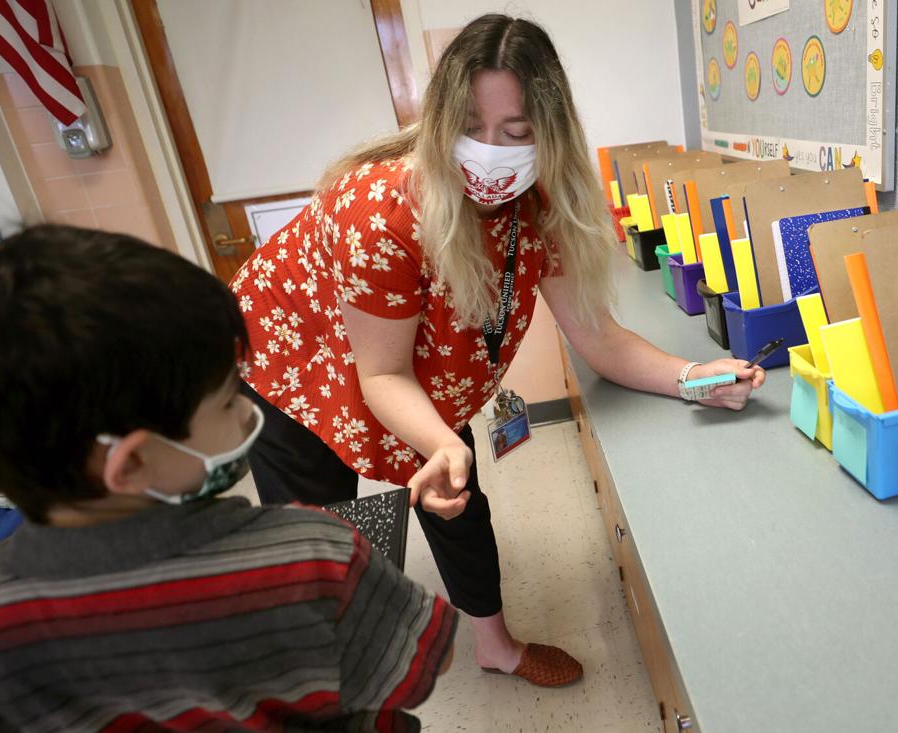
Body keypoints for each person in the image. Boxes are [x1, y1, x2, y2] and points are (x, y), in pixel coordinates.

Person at [231, 13, 765, 687]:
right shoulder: (381, 211)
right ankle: (328, 680)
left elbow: (599, 340)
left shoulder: (544, 202)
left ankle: (494, 645)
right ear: (438, 123)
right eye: (469, 130)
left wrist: (694, 376)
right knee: (327, 528)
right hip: (295, 358)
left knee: (457, 494)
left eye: (515, 135)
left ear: (549, 135)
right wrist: (445, 440)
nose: (489, 154)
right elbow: (384, 373)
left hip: (401, 359)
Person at [0, 226, 456, 731]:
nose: (245, 412)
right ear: (130, 463)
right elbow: (426, 662)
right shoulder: (312, 557)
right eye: (226, 399)